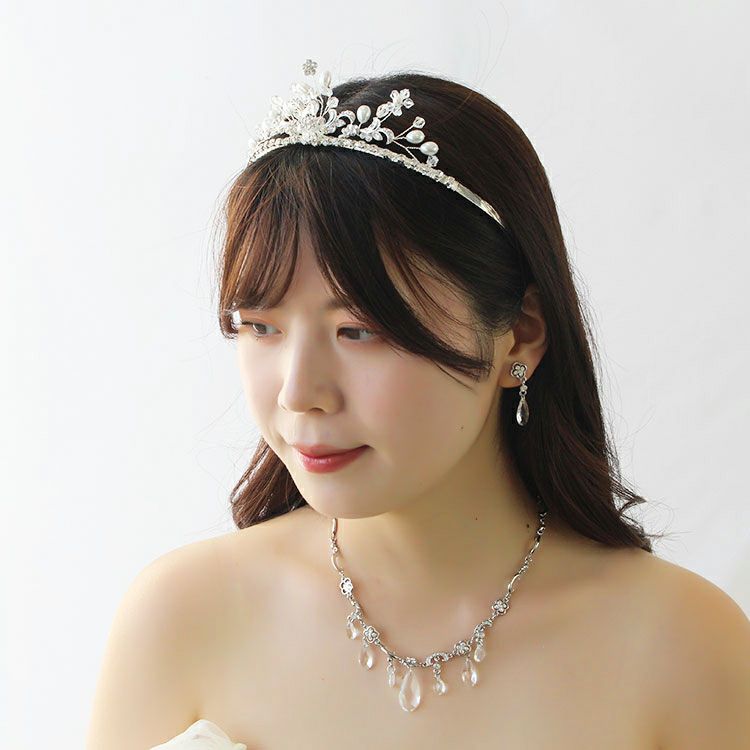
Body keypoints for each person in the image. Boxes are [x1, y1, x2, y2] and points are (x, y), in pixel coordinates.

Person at [86, 59, 750, 750]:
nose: (298, 392)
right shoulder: (181, 617)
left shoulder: (682, 648)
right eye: (260, 327)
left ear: (521, 334)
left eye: (359, 330)